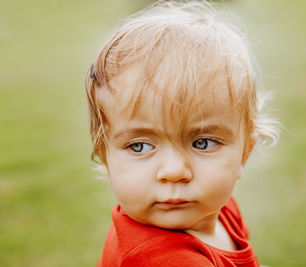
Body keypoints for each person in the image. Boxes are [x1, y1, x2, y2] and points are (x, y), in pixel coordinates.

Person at [85, 1, 278, 266]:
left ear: (245, 151)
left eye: (203, 142)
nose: (174, 172)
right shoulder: (167, 260)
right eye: (139, 146)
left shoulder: (219, 210)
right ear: (104, 156)